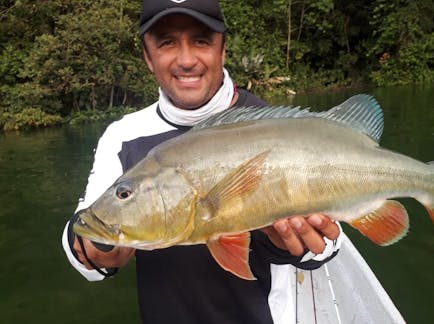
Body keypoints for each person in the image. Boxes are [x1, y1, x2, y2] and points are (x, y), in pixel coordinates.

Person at [61, 1, 343, 323]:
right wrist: (93, 248)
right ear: (147, 57)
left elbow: (329, 247)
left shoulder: (272, 126)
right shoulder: (123, 136)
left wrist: (293, 245)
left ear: (222, 50)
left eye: (201, 40)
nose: (186, 60)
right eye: (166, 42)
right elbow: (81, 235)